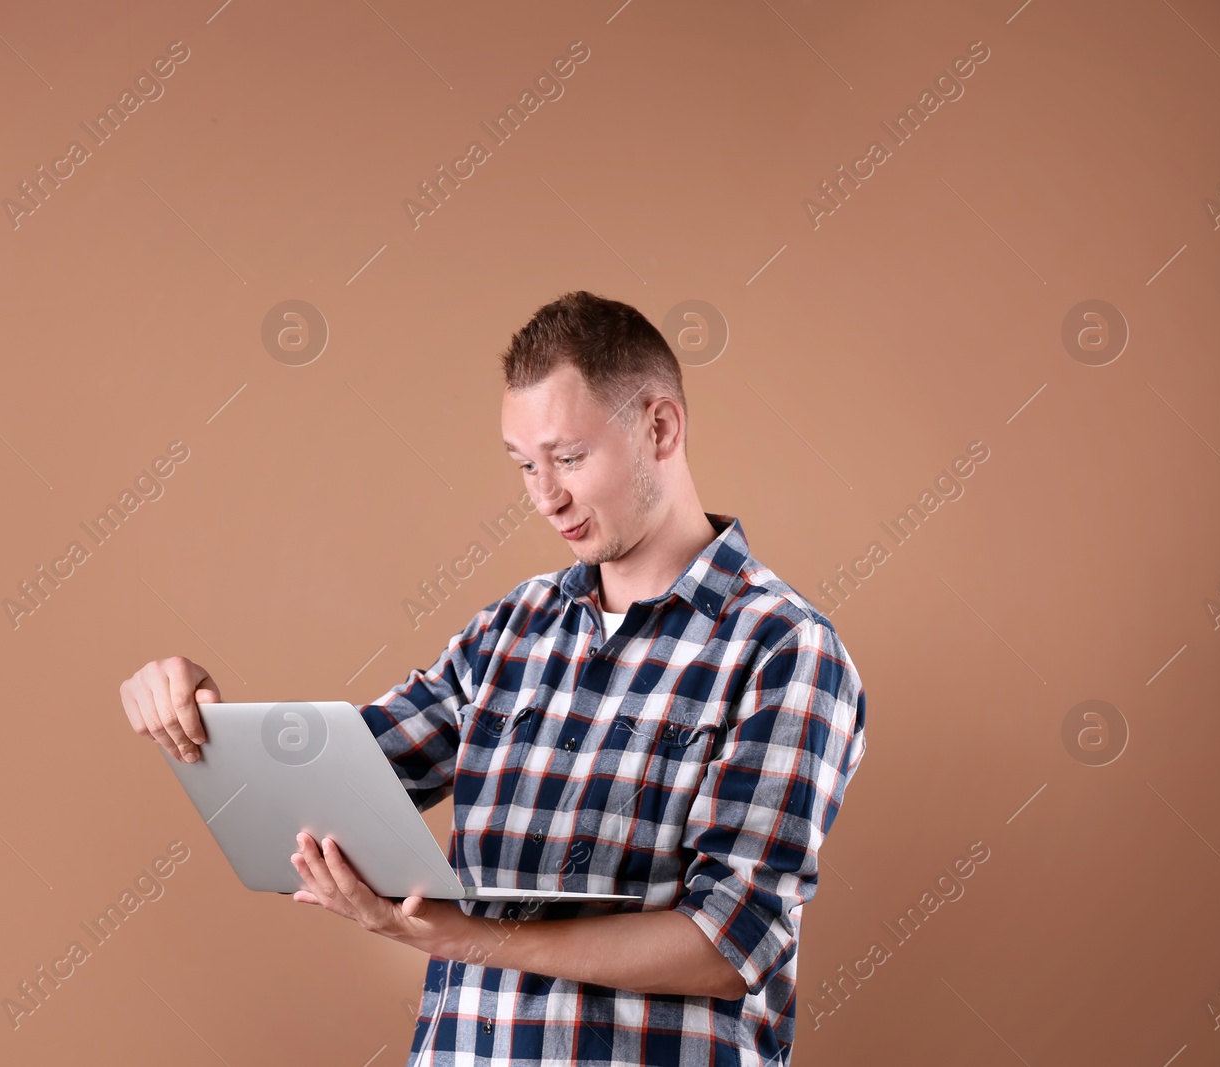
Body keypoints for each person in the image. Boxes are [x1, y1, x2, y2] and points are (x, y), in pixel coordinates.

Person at [119, 290, 869, 1066]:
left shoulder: (784, 648)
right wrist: (196, 713)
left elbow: (729, 942)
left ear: (661, 427)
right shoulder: (513, 628)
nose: (545, 497)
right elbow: (339, 782)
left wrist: (475, 937)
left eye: (570, 459)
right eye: (524, 466)